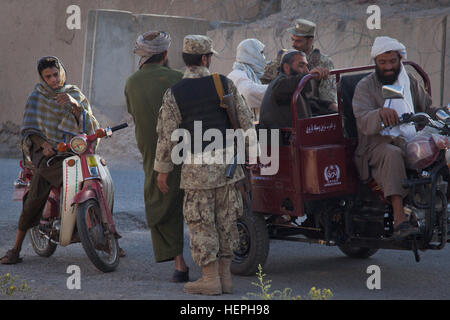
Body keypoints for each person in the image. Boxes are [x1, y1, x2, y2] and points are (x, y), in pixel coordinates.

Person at [154, 35, 255, 295]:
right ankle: (225, 277)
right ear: (204, 58)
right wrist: (250, 158)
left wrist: (162, 171)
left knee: (202, 222)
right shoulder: (223, 83)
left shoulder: (174, 93)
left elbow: (166, 136)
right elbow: (246, 123)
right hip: (228, 167)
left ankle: (210, 279)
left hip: (196, 169)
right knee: (226, 219)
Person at [1, 56, 99, 264]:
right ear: (42, 78)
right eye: (48, 77)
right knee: (35, 197)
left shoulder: (73, 93)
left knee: (95, 179)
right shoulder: (36, 97)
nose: (54, 80)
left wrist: (74, 105)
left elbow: (89, 124)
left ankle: (106, 237)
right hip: (45, 153)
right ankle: (16, 248)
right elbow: (28, 129)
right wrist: (42, 143)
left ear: (61, 72)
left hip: (72, 148)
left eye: (56, 74)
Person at [352, 36, 439, 238]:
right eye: (383, 62)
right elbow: (363, 120)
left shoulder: (408, 81)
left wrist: (444, 114)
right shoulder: (365, 87)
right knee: (392, 154)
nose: (388, 67)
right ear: (375, 63)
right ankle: (400, 220)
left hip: (408, 138)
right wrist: (379, 114)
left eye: (392, 61)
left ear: (400, 59)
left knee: (440, 148)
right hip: (374, 146)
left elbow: (426, 108)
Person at [125, 31, 189, 282]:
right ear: (164, 54)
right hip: (186, 148)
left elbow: (133, 112)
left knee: (160, 202)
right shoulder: (180, 78)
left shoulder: (131, 82)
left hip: (152, 151)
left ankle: (179, 262)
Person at [259, 50, 333, 130]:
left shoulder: (293, 86)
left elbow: (309, 102)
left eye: (306, 66)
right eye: (301, 66)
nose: (306, 70)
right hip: (273, 138)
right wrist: (309, 76)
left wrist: (329, 105)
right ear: (286, 67)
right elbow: (284, 88)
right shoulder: (280, 83)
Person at [287, 18, 338, 112]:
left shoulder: (323, 62)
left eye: (298, 41)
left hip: (314, 111)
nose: (293, 44)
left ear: (310, 41)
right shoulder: (288, 59)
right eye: (292, 40)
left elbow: (328, 97)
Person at [227, 38, 268, 120]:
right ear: (251, 54)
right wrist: (276, 88)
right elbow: (249, 94)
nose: (264, 57)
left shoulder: (252, 75)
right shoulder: (236, 75)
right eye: (261, 53)